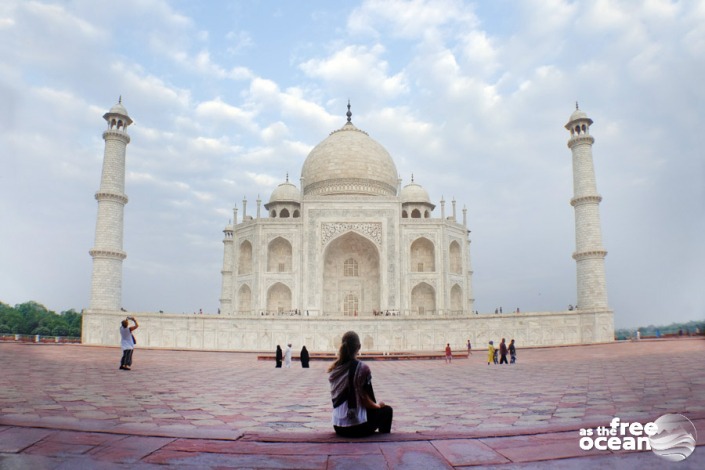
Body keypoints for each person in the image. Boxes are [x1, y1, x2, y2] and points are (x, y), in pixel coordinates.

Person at [328, 331, 393, 437]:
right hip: (356, 426)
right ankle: (383, 440)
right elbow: (365, 400)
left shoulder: (335, 369)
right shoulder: (362, 368)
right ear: (359, 347)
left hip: (338, 426)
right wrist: (378, 406)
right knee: (387, 411)